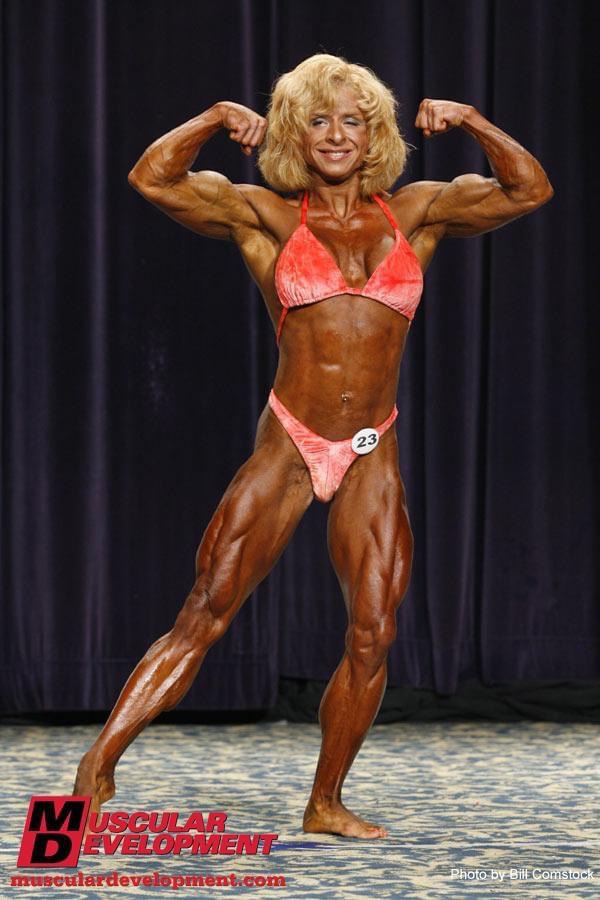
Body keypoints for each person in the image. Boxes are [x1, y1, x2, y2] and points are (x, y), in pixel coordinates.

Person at [74, 54, 552, 839]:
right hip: (290, 445)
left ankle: (325, 801)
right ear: (295, 133)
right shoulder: (267, 215)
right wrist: (214, 116)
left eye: (352, 120)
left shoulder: (416, 212)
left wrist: (471, 121)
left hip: (372, 449)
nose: (336, 134)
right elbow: (151, 179)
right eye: (319, 120)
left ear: (375, 135)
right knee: (206, 610)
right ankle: (96, 768)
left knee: (373, 632)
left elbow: (529, 189)